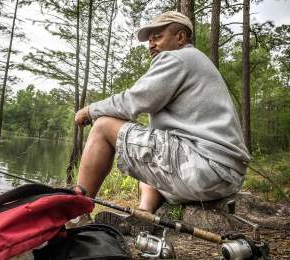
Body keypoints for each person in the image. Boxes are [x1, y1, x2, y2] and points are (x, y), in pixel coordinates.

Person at [73, 11, 251, 215]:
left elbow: (132, 101)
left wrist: (90, 110)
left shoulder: (177, 58)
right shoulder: (195, 60)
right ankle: (144, 215)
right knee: (147, 152)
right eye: (149, 40)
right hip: (225, 176)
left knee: (104, 126)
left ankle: (77, 215)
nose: (151, 44)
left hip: (205, 167)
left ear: (181, 37)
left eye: (157, 37)